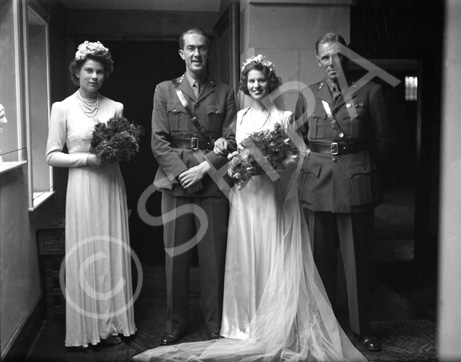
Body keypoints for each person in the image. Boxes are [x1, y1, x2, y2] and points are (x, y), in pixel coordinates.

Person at [134, 55, 367, 362]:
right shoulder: (240, 117)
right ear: (246, 85)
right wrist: (230, 155)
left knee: (270, 255)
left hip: (270, 197)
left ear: (271, 82)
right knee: (244, 255)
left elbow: (297, 158)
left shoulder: (284, 117)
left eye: (262, 80)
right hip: (244, 199)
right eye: (252, 81)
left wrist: (271, 164)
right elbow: (230, 151)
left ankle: (273, 321)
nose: (257, 86)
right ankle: (242, 323)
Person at [298, 33, 391, 352]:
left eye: (337, 55)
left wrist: (358, 167)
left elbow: (382, 141)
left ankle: (362, 329)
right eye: (324, 57)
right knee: (321, 262)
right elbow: (300, 139)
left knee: (357, 263)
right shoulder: (308, 95)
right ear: (318, 61)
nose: (331, 62)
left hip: (354, 186)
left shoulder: (370, 91)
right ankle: (325, 326)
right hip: (319, 186)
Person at [46, 41, 136, 348]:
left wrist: (118, 153)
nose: (94, 77)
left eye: (99, 71)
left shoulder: (116, 107)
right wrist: (87, 159)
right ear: (77, 72)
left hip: (110, 184)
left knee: (111, 250)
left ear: (105, 73)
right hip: (82, 186)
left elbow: (123, 148)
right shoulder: (62, 108)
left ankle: (114, 324)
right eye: (88, 70)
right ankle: (89, 330)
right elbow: (52, 155)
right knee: (87, 250)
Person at [150, 27, 237, 346]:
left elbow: (231, 139)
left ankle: (214, 323)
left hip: (212, 184)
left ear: (208, 51)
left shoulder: (225, 92)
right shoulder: (164, 90)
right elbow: (158, 141)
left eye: (202, 48)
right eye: (191, 48)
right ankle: (175, 324)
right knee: (176, 259)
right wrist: (180, 173)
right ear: (182, 54)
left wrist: (204, 169)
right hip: (174, 186)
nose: (197, 53)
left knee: (214, 259)